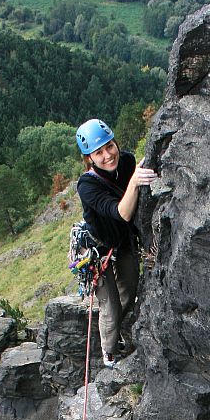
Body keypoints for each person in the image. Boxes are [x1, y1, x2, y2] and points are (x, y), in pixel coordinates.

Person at [75, 118, 157, 367]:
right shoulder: (87, 185)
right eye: (98, 152)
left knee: (129, 292)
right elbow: (122, 213)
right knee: (109, 306)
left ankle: (119, 330)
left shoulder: (128, 161)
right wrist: (134, 182)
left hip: (122, 243)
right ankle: (109, 352)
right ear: (89, 158)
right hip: (97, 250)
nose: (108, 155)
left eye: (109, 146)